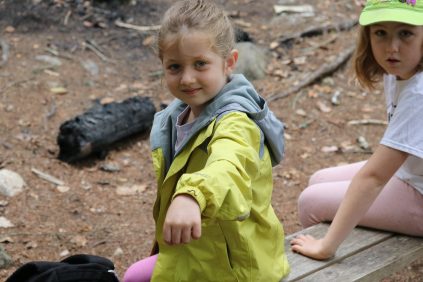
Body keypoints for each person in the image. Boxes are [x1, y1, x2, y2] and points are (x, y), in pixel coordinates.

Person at [123, 0, 290, 281]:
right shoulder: (176, 118)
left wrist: (192, 195)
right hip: (201, 253)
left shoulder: (237, 122)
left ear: (229, 63)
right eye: (175, 67)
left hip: (237, 267)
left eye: (200, 64)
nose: (187, 78)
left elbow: (228, 165)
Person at [291, 0, 423, 260]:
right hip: (411, 173)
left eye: (405, 33)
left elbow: (374, 177)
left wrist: (326, 247)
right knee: (318, 179)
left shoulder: (419, 94)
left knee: (311, 202)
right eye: (380, 32)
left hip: (419, 193)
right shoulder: (399, 72)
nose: (391, 48)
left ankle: (324, 269)